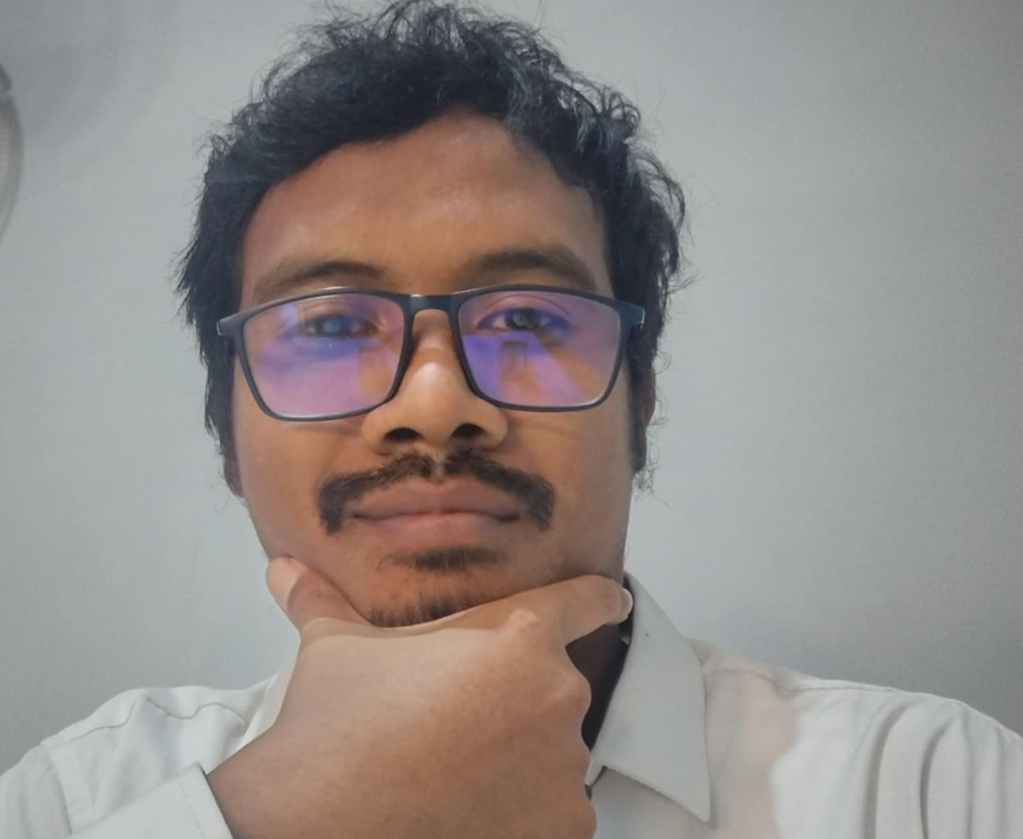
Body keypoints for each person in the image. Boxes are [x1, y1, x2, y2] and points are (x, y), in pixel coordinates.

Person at [2, 1, 1020, 836]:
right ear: (226, 435)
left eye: (528, 318)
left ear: (641, 402)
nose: (435, 404)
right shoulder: (75, 799)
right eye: (332, 325)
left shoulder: (937, 792)